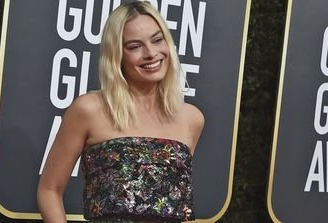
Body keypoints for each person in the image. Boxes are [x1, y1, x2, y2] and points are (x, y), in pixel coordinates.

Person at [37, 1, 204, 222]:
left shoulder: (191, 118)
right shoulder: (88, 110)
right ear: (117, 55)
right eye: (135, 46)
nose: (151, 53)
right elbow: (49, 190)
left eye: (157, 40)